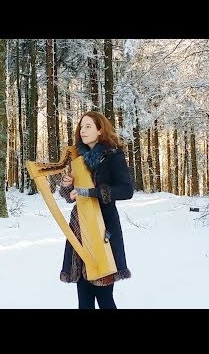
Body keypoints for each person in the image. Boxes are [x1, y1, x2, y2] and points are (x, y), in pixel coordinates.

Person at [59, 110, 134, 309]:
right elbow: (71, 196)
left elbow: (127, 190)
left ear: (100, 130)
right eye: (81, 126)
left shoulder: (113, 155)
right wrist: (68, 187)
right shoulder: (79, 158)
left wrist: (95, 192)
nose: (82, 130)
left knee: (104, 298)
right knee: (83, 300)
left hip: (104, 230)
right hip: (80, 229)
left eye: (88, 126)